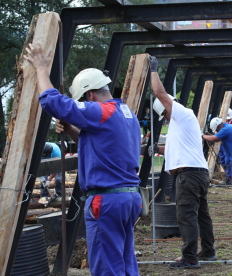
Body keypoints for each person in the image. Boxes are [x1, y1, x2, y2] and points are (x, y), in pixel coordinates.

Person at [24, 42, 142, 276]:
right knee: (125, 263)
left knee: (107, 268)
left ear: (89, 94)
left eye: (84, 100)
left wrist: (41, 69)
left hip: (106, 202)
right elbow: (102, 149)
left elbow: (54, 103)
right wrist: (71, 131)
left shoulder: (102, 111)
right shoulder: (127, 115)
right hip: (128, 199)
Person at [147, 57, 216, 269]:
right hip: (197, 173)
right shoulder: (182, 123)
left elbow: (159, 94)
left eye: (165, 114)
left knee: (186, 216)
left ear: (169, 107)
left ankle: (190, 258)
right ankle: (207, 252)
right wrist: (156, 150)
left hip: (189, 176)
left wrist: (153, 70)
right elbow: (176, 149)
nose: (165, 118)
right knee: (201, 215)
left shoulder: (182, 113)